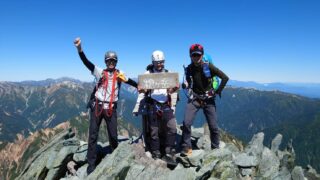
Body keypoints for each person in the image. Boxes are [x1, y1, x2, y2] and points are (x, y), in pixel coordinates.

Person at [74, 37, 138, 174]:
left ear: (116, 62)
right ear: (105, 61)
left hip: (111, 108)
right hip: (98, 107)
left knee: (113, 136)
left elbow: (131, 82)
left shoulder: (120, 74)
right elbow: (86, 62)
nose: (111, 63)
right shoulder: (99, 72)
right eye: (109, 61)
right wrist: (79, 49)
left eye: (113, 61)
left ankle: (114, 160)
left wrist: (142, 86)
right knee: (93, 136)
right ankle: (91, 165)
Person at [181, 44, 229, 156]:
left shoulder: (209, 66)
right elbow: (189, 82)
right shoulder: (189, 69)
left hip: (208, 99)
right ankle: (187, 148)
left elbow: (225, 78)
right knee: (186, 123)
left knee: (213, 127)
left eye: (198, 55)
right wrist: (185, 85)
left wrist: (217, 91)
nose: (196, 57)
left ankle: (215, 149)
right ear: (190, 56)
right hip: (195, 98)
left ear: (202, 55)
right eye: (194, 55)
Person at [133, 50, 179, 165]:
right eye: (157, 62)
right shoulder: (147, 74)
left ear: (164, 62)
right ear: (153, 62)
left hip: (165, 104)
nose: (159, 64)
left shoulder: (168, 74)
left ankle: (169, 150)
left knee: (172, 127)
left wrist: (174, 88)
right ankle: (156, 152)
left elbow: (172, 90)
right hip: (152, 104)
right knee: (154, 131)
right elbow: (141, 89)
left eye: (161, 62)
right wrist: (142, 89)